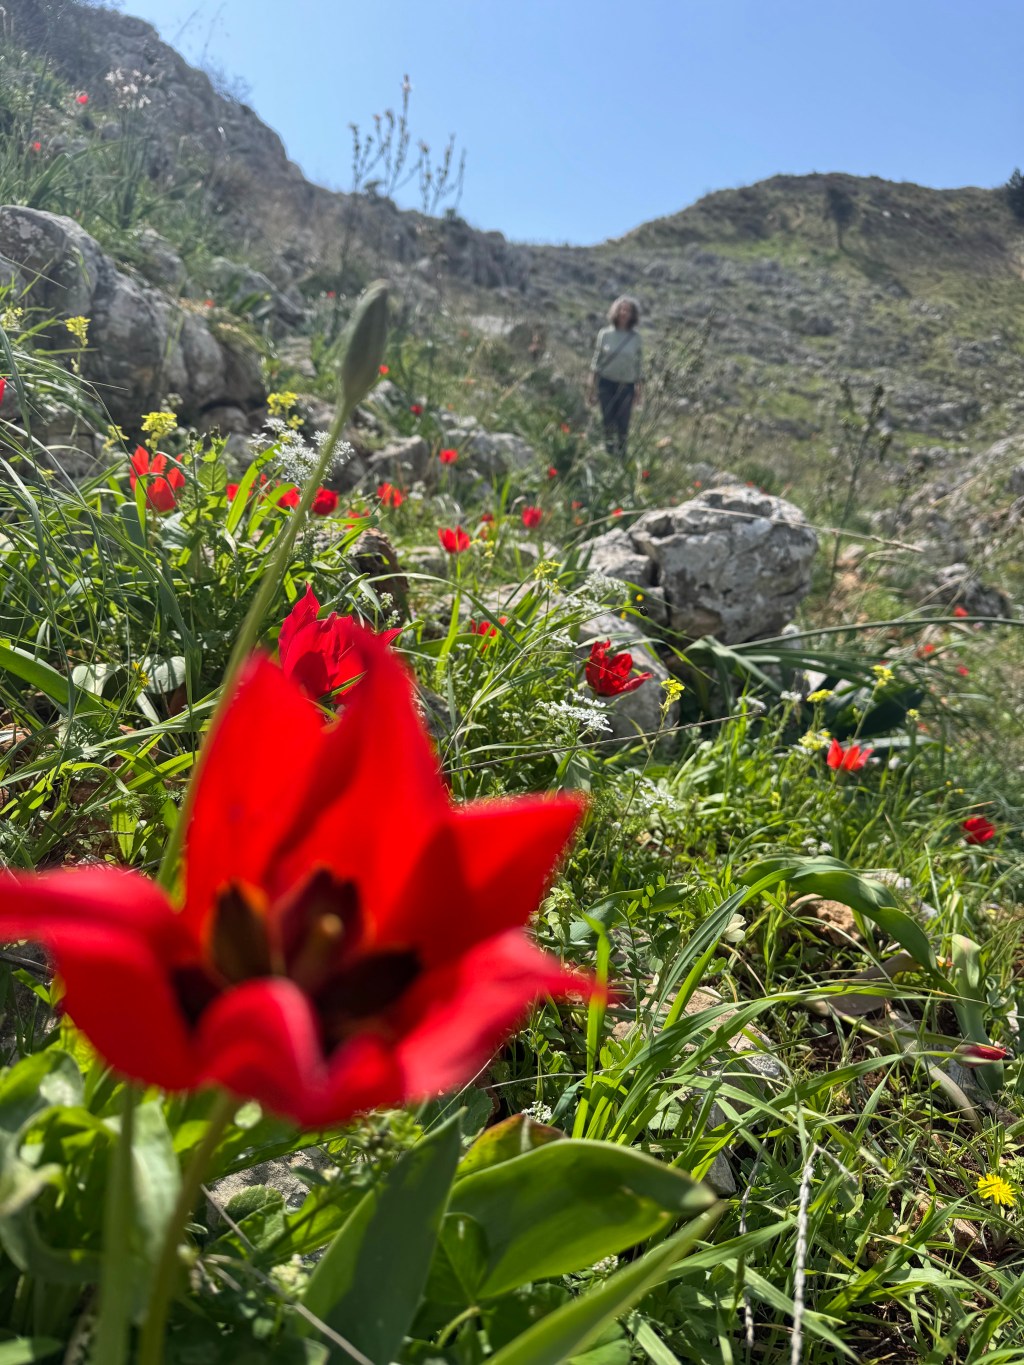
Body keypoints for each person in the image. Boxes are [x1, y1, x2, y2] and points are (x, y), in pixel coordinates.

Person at [588, 295, 643, 455]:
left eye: (628, 310)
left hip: (627, 385)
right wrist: (591, 388)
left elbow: (639, 366)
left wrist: (639, 392)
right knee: (607, 420)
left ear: (633, 315)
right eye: (621, 309)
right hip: (606, 383)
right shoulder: (605, 334)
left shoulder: (636, 338)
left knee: (623, 423)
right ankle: (608, 453)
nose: (624, 313)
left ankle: (622, 455)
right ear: (616, 311)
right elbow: (596, 362)